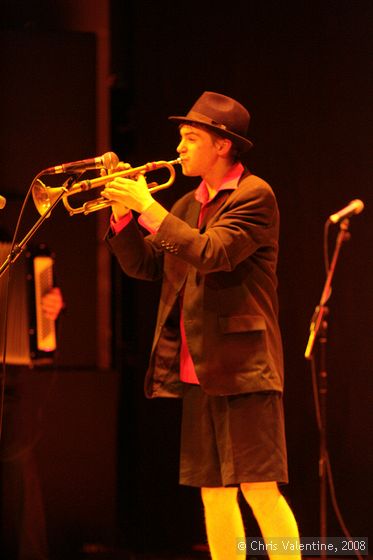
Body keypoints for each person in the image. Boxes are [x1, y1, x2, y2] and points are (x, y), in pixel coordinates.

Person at [103, 91, 300, 560]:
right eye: (181, 138)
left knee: (259, 488)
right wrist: (123, 215)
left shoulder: (255, 196)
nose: (180, 148)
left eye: (191, 138)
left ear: (223, 146)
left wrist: (150, 208)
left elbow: (212, 254)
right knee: (213, 491)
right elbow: (149, 267)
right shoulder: (190, 205)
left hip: (243, 366)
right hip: (197, 369)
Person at [0, 232, 64, 560]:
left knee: (21, 465)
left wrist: (50, 305)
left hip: (16, 372)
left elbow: (48, 302)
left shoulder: (20, 247)